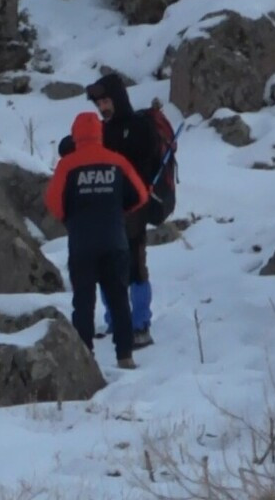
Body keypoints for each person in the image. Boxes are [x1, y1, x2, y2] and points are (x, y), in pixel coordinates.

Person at [44, 112, 148, 369]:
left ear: (76, 134)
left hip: (82, 244)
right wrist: (118, 210)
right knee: (119, 300)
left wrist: (71, 218)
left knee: (83, 302)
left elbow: (54, 203)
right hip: (115, 241)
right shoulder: (117, 161)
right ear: (99, 133)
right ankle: (125, 355)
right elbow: (140, 196)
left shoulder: (67, 165)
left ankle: (85, 356)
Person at [86, 73, 160, 349]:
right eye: (99, 103)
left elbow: (144, 158)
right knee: (107, 266)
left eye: (106, 101)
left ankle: (140, 324)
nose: (103, 107)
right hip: (106, 209)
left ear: (117, 98)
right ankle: (115, 320)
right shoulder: (100, 131)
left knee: (135, 266)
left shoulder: (140, 126)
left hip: (135, 206)